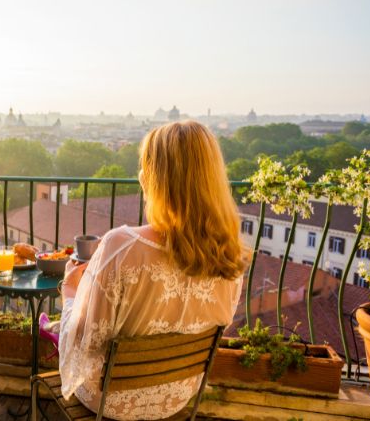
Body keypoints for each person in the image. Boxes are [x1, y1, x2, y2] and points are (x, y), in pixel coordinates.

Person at [42, 120, 246, 420]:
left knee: (68, 327)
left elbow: (89, 345)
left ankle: (50, 328)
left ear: (152, 178)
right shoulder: (229, 251)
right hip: (177, 396)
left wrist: (71, 291)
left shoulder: (121, 247)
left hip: (110, 401)